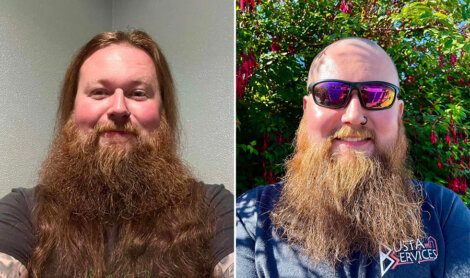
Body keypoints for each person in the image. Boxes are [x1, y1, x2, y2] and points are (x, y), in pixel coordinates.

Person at [0, 30, 233, 277]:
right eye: (99, 92)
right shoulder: (23, 212)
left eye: (138, 93)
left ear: (163, 112)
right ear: (72, 109)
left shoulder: (212, 207)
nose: (119, 108)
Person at [236, 38, 470, 277]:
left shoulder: (443, 213)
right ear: (307, 110)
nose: (354, 116)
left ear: (398, 114)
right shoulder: (252, 219)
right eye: (331, 93)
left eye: (378, 95)